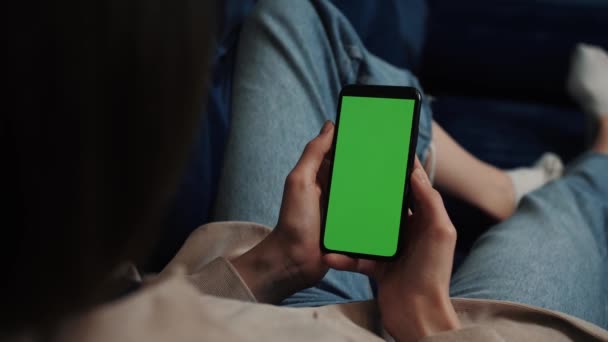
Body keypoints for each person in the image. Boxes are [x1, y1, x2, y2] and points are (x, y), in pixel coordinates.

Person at [3, 1, 608, 342]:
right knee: (571, 211)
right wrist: (425, 319)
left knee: (289, 13)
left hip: (270, 294)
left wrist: (277, 262)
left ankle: (499, 186)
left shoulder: (59, 299)